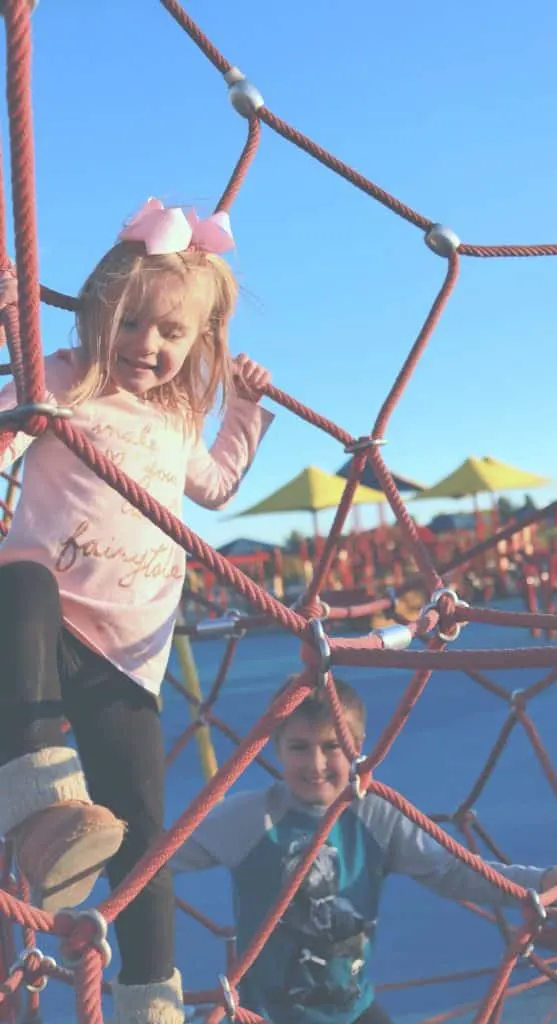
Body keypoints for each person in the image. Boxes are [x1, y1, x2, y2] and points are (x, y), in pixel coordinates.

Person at [0, 198, 273, 1023]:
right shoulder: (66, 378)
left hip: (130, 652)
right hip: (46, 627)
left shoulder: (180, 417)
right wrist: (14, 318)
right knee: (20, 575)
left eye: (169, 334)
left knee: (145, 835)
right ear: (95, 317)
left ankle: (151, 997)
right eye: (128, 324)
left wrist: (245, 412)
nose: (146, 347)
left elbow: (218, 488)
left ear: (199, 344)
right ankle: (43, 796)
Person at [171, 678, 557, 1024]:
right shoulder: (248, 818)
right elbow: (161, 857)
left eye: (332, 746)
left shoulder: (375, 815)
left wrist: (535, 882)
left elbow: (453, 870)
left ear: (359, 746)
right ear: (274, 746)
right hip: (264, 1015)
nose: (316, 763)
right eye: (299, 747)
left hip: (352, 1011)